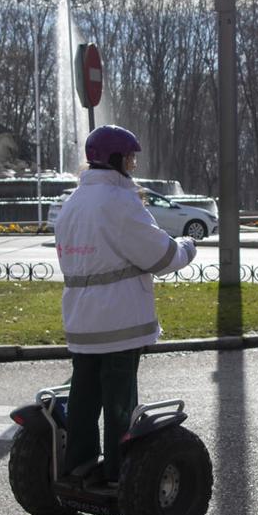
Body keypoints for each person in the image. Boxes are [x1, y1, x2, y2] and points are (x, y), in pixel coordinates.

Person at [52, 125, 198, 485]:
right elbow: (160, 256)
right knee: (120, 403)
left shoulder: (72, 202)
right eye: (130, 157)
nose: (133, 164)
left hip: (80, 319)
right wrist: (187, 247)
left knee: (84, 397)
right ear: (116, 159)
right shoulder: (119, 201)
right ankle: (120, 474)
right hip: (118, 321)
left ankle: (79, 464)